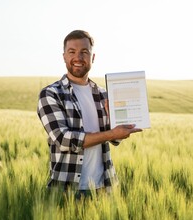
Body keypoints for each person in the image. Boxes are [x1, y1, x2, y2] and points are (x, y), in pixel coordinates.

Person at [37, 30, 142, 198]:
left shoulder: (104, 94)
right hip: (67, 190)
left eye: (84, 52)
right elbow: (63, 140)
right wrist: (112, 132)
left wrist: (118, 124)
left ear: (92, 57)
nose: (78, 57)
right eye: (72, 52)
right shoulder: (51, 94)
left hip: (104, 187)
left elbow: (115, 139)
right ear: (64, 56)